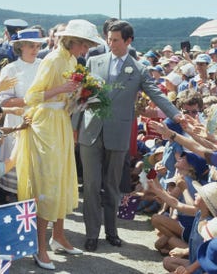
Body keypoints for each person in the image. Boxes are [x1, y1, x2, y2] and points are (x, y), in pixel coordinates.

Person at [75, 20, 183, 252]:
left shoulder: (139, 69)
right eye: (109, 39)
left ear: (128, 41)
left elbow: (156, 94)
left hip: (118, 133)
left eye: (115, 40)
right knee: (92, 186)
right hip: (90, 132)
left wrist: (177, 115)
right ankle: (91, 234)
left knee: (113, 186)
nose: (110, 44)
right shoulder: (93, 61)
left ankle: (111, 232)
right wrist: (75, 127)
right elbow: (80, 97)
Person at [14, 19, 103, 270]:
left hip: (61, 121)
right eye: (85, 44)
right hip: (45, 125)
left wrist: (80, 98)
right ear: (73, 41)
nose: (86, 49)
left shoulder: (73, 61)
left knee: (63, 179)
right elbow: (30, 97)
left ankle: (59, 236)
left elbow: (66, 98)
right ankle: (40, 248)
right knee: (48, 183)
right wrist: (63, 89)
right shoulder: (52, 59)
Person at [0, 28, 46, 203]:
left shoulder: (44, 66)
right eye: (31, 45)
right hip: (18, 124)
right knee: (17, 179)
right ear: (20, 46)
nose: (35, 49)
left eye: (37, 45)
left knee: (38, 177)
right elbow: (3, 101)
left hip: (41, 125)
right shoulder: (11, 69)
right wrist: (28, 100)